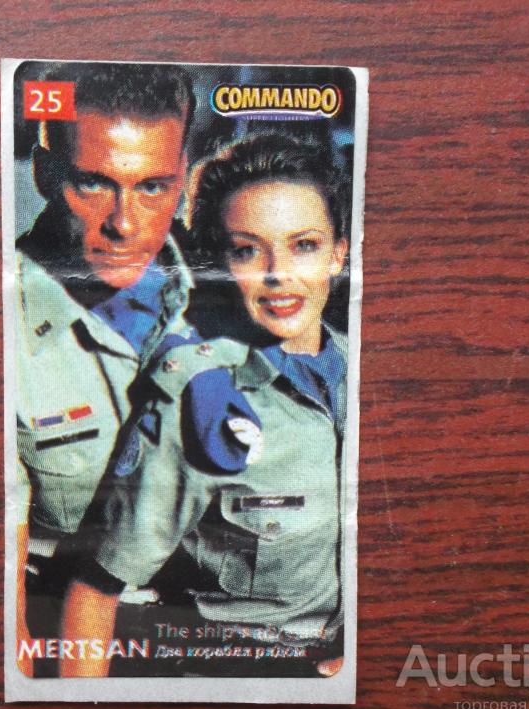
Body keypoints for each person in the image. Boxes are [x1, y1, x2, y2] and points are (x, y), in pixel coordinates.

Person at [59, 132, 350, 678]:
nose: (278, 274)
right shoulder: (198, 397)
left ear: (340, 253)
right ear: (219, 262)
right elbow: (94, 595)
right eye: (246, 250)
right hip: (231, 680)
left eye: (304, 245)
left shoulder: (367, 373)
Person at [13, 63, 197, 676]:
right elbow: (8, 630)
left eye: (153, 187)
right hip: (69, 640)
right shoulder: (1, 327)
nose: (125, 223)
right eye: (93, 184)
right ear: (46, 175)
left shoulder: (250, 294)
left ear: (184, 178)